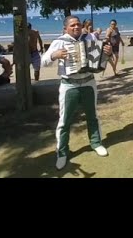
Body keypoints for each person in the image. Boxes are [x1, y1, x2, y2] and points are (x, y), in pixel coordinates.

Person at [41, 15, 113, 170]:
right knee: (65, 121)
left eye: (78, 24)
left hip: (88, 82)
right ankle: (62, 152)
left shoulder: (90, 38)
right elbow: (43, 61)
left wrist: (108, 52)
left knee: (92, 115)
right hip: (69, 85)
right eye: (72, 25)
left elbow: (101, 58)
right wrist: (55, 55)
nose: (76, 27)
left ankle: (96, 143)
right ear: (65, 28)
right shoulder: (59, 42)